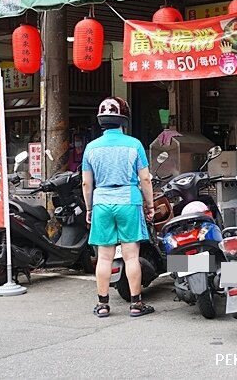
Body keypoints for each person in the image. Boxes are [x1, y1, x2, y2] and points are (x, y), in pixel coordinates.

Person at [82, 96, 156, 317]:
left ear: (100, 120)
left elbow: (87, 182)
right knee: (131, 256)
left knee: (104, 257)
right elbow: (145, 179)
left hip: (102, 202)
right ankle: (136, 304)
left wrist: (89, 208)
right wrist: (149, 205)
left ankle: (103, 304)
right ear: (124, 120)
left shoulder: (91, 148)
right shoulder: (134, 145)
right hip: (128, 201)